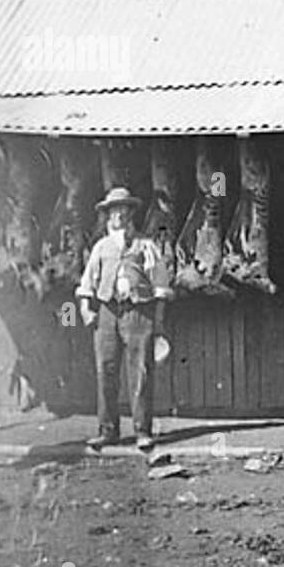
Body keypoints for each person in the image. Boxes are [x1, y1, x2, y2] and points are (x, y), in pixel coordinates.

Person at [77, 186, 173, 451]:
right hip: (107, 312)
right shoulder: (100, 247)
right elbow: (87, 283)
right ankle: (108, 431)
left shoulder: (147, 245)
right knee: (105, 371)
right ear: (107, 216)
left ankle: (143, 431)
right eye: (113, 211)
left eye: (122, 210)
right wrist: (87, 310)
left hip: (138, 312)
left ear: (130, 213)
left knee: (140, 372)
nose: (117, 215)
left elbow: (161, 287)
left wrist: (158, 322)